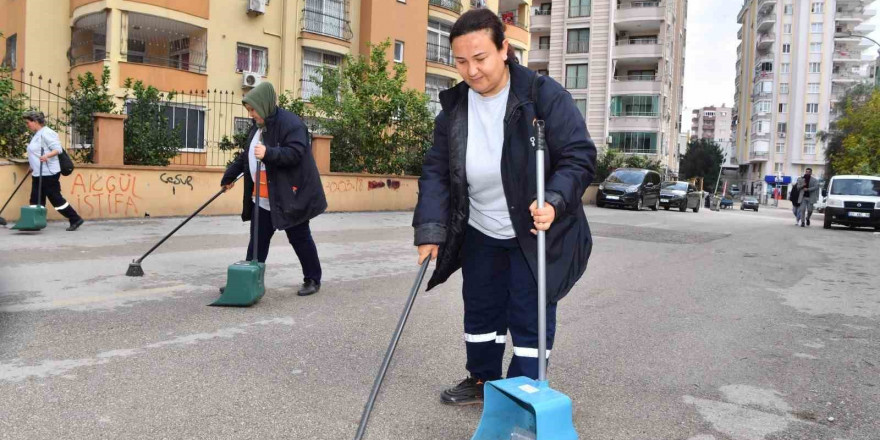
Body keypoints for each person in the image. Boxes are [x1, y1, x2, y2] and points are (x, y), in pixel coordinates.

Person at [412, 9, 596, 406]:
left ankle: (523, 390)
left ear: (504, 50)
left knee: (530, 314)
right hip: (480, 228)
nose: (471, 71)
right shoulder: (454, 107)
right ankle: (481, 379)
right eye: (461, 61)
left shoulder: (542, 95)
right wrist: (429, 229)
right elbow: (436, 172)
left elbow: (579, 156)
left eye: (480, 58)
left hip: (533, 229)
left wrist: (556, 199)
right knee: (481, 309)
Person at [220, 82, 327, 296]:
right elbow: (246, 156)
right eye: (248, 110)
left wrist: (269, 153)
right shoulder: (257, 127)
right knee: (257, 242)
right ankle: (248, 279)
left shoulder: (291, 124)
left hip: (289, 196)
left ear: (264, 104)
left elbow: (296, 153)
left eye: (253, 109)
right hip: (261, 197)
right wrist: (229, 177)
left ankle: (313, 279)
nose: (251, 115)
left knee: (300, 238)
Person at [22, 111, 84, 231]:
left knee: (56, 199)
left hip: (48, 173)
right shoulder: (37, 134)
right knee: (36, 199)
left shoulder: (47, 133)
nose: (27, 125)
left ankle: (75, 218)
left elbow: (57, 149)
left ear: (35, 122)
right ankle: (35, 222)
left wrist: (47, 156)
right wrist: (32, 165)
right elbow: (35, 152)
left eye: (28, 122)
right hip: (38, 172)